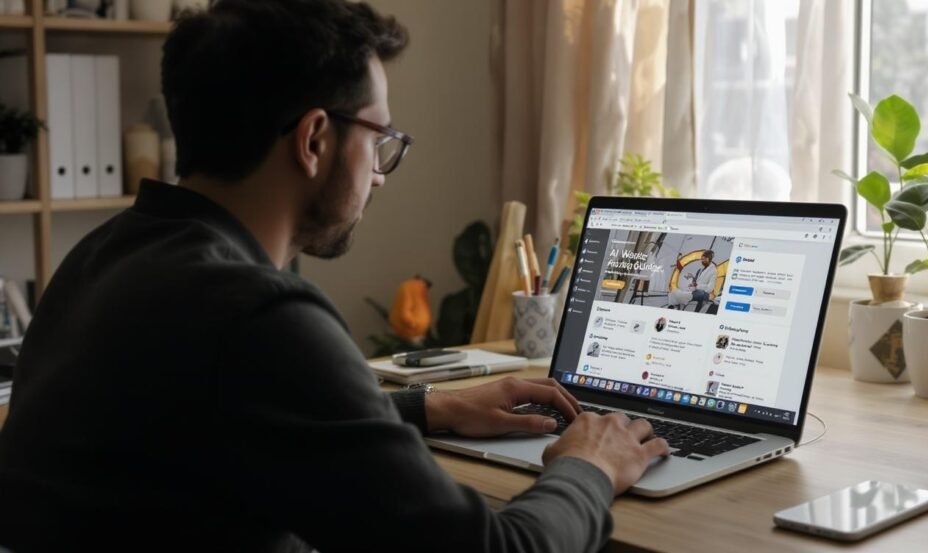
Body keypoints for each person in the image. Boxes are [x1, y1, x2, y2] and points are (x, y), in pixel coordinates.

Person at [0, 1, 668, 551]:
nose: (379, 172)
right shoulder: (257, 315)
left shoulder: (104, 258)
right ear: (315, 139)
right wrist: (590, 464)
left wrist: (431, 407)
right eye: (379, 140)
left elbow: (235, 417)